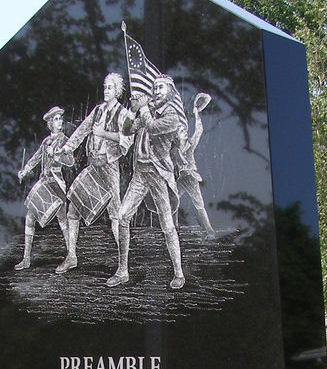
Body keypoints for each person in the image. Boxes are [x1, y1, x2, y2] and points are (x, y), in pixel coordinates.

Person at [114, 75, 186, 289]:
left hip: (158, 175)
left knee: (167, 225)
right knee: (122, 216)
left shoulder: (172, 116)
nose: (156, 90)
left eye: (160, 87)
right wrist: (134, 109)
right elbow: (127, 130)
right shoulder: (149, 110)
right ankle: (122, 271)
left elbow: (153, 128)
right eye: (154, 87)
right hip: (140, 172)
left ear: (171, 91)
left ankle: (179, 273)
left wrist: (143, 109)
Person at [58, 72, 134, 274]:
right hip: (92, 166)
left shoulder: (125, 114)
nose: (106, 90)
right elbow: (82, 130)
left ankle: (123, 265)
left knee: (115, 215)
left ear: (118, 91)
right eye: (105, 87)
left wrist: (103, 134)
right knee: (73, 209)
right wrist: (67, 147)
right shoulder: (98, 111)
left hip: (109, 168)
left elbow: (126, 140)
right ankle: (71, 256)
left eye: (110, 87)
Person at [15, 106, 72, 270]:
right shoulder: (46, 141)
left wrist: (56, 154)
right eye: (56, 119)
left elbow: (71, 162)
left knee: (63, 220)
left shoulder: (65, 140)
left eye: (60, 118)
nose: (60, 121)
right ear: (50, 124)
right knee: (31, 217)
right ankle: (26, 259)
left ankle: (71, 255)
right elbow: (35, 158)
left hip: (56, 184)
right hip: (44, 183)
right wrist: (25, 170)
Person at [173, 92, 214, 237]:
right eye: (181, 131)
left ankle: (209, 231)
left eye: (184, 130)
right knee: (174, 200)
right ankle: (174, 229)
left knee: (199, 204)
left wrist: (197, 114)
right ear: (176, 135)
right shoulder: (175, 150)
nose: (184, 132)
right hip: (181, 179)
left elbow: (198, 131)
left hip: (190, 177)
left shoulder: (190, 145)